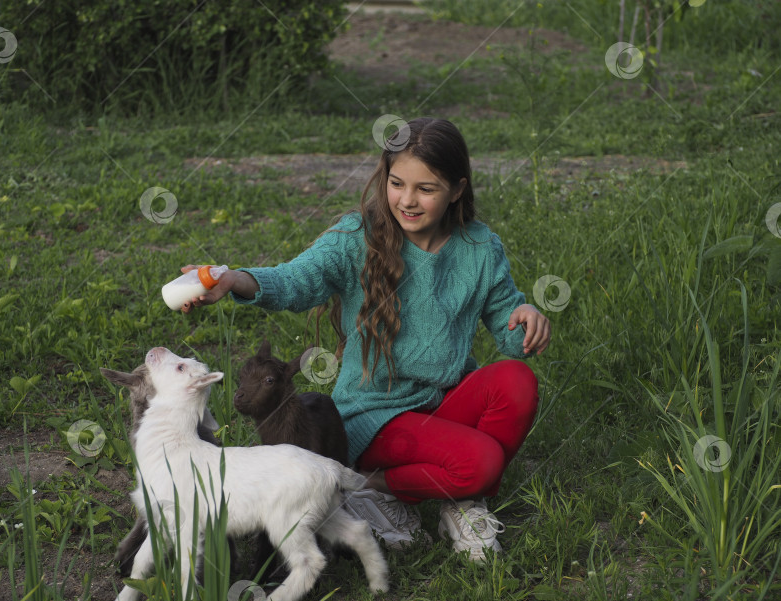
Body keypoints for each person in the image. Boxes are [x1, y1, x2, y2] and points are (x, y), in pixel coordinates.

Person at [180, 117, 551, 561]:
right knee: (482, 461)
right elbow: (294, 280)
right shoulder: (357, 237)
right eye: (397, 183)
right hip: (375, 414)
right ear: (385, 178)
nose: (407, 201)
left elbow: (508, 329)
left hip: (444, 403)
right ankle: (370, 487)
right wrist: (234, 278)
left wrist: (524, 318)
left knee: (517, 380)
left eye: (426, 189)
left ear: (456, 189)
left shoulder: (479, 248)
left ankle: (460, 501)